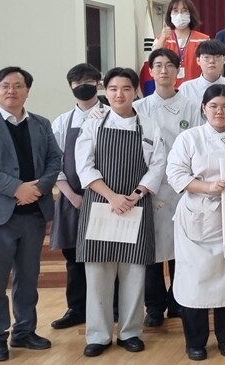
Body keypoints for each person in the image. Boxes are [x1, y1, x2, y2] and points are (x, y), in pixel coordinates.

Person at [0, 66, 62, 363]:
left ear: (27, 90)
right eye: (5, 85)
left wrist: (38, 189)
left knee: (28, 277)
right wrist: (17, 189)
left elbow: (54, 160)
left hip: (34, 214)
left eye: (18, 86)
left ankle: (24, 331)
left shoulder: (41, 124)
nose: (11, 91)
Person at [74, 67, 166, 357]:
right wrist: (113, 197)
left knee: (134, 273)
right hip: (100, 205)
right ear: (106, 90)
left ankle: (130, 332)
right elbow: (84, 166)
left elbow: (158, 166)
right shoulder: (93, 123)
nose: (119, 94)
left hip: (136, 205)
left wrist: (135, 195)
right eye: (113, 89)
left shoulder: (149, 126)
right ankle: (98, 335)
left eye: (126, 88)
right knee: (98, 274)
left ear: (135, 91)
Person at [166, 84, 225, 360]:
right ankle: (196, 342)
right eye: (213, 106)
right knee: (195, 283)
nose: (219, 111)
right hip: (196, 215)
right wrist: (207, 187)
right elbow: (175, 174)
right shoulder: (189, 138)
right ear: (203, 108)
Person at [133, 49, 202, 327]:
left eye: (169, 66)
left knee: (180, 248)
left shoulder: (191, 107)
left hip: (181, 187)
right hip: (147, 186)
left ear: (178, 71)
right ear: (150, 71)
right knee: (150, 250)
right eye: (158, 66)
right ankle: (154, 306)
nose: (164, 71)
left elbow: (198, 145)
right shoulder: (139, 108)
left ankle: (178, 301)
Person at [48, 63, 103, 331]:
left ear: (98, 84)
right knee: (74, 257)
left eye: (89, 81)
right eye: (77, 82)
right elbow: (53, 163)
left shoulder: (111, 116)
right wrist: (70, 196)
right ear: (70, 86)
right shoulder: (62, 122)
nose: (83, 86)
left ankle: (112, 307)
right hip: (73, 199)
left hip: (106, 199)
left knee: (108, 255)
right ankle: (77, 308)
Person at [179, 39, 225, 127]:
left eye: (217, 56)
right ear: (198, 60)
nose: (212, 61)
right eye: (206, 57)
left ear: (224, 59)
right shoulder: (186, 88)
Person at [151, 0, 210, 88]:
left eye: (184, 11)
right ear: (170, 15)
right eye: (175, 11)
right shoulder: (161, 39)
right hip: (169, 90)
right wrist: (163, 39)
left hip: (196, 89)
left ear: (191, 14)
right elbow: (153, 60)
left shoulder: (203, 39)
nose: (179, 15)